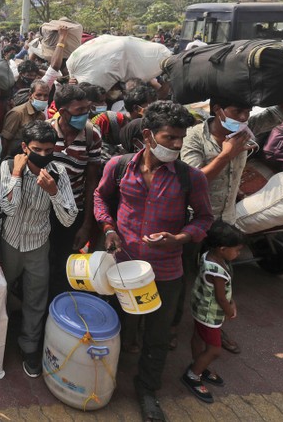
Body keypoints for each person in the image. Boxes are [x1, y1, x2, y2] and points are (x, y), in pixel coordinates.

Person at [93, 100, 214, 422]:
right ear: (147, 136)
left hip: (165, 271)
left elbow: (204, 218)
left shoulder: (192, 178)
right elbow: (101, 197)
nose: (176, 145)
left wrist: (182, 238)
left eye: (180, 139)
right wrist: (108, 227)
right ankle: (105, 378)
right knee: (115, 327)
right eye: (168, 138)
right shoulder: (118, 166)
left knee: (157, 336)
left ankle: (147, 390)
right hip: (122, 267)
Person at [177, 97, 283, 353]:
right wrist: (227, 155)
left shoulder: (244, 128)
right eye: (237, 111)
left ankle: (214, 328)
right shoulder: (193, 137)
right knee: (185, 278)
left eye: (247, 112)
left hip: (225, 222)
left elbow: (280, 110)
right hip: (195, 222)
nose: (242, 117)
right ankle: (173, 328)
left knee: (220, 281)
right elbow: (196, 181)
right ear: (217, 110)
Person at [0, 121, 77, 377]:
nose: (43, 155)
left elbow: (68, 219)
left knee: (36, 298)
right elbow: (8, 209)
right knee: (0, 292)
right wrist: (17, 176)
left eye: (48, 150)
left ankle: (29, 344)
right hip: (9, 241)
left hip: (38, 244)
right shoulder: (8, 167)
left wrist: (54, 192)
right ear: (25, 147)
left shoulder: (59, 173)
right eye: (37, 149)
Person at [47, 84, 102, 299]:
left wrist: (87, 224)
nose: (85, 115)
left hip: (73, 211)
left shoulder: (92, 135)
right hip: (45, 210)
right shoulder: (46, 131)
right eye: (79, 111)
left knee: (65, 262)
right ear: (63, 112)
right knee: (44, 261)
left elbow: (91, 181)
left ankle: (59, 302)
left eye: (87, 109)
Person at [182, 221, 242, 404]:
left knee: (197, 337)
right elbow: (221, 298)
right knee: (215, 350)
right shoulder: (217, 272)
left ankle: (198, 363)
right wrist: (230, 309)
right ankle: (193, 375)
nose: (238, 253)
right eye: (237, 250)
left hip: (199, 308)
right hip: (209, 315)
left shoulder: (208, 255)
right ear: (223, 249)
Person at [0, 80, 49, 158]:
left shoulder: (41, 116)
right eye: (39, 95)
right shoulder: (17, 113)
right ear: (30, 95)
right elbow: (5, 140)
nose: (42, 99)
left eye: (46, 95)